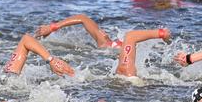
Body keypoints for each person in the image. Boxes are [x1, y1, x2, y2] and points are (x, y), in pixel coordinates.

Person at [34, 14, 171, 77]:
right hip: (125, 71)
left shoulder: (116, 42)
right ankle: (161, 33)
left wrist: (165, 40)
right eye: (101, 31)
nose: (102, 32)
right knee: (131, 38)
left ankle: (161, 33)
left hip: (127, 70)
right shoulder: (104, 43)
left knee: (131, 38)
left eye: (103, 31)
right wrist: (53, 27)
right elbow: (83, 18)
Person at [3, 34, 75, 77]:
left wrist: (51, 60)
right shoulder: (8, 78)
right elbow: (25, 39)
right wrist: (51, 60)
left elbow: (26, 39)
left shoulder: (7, 78)